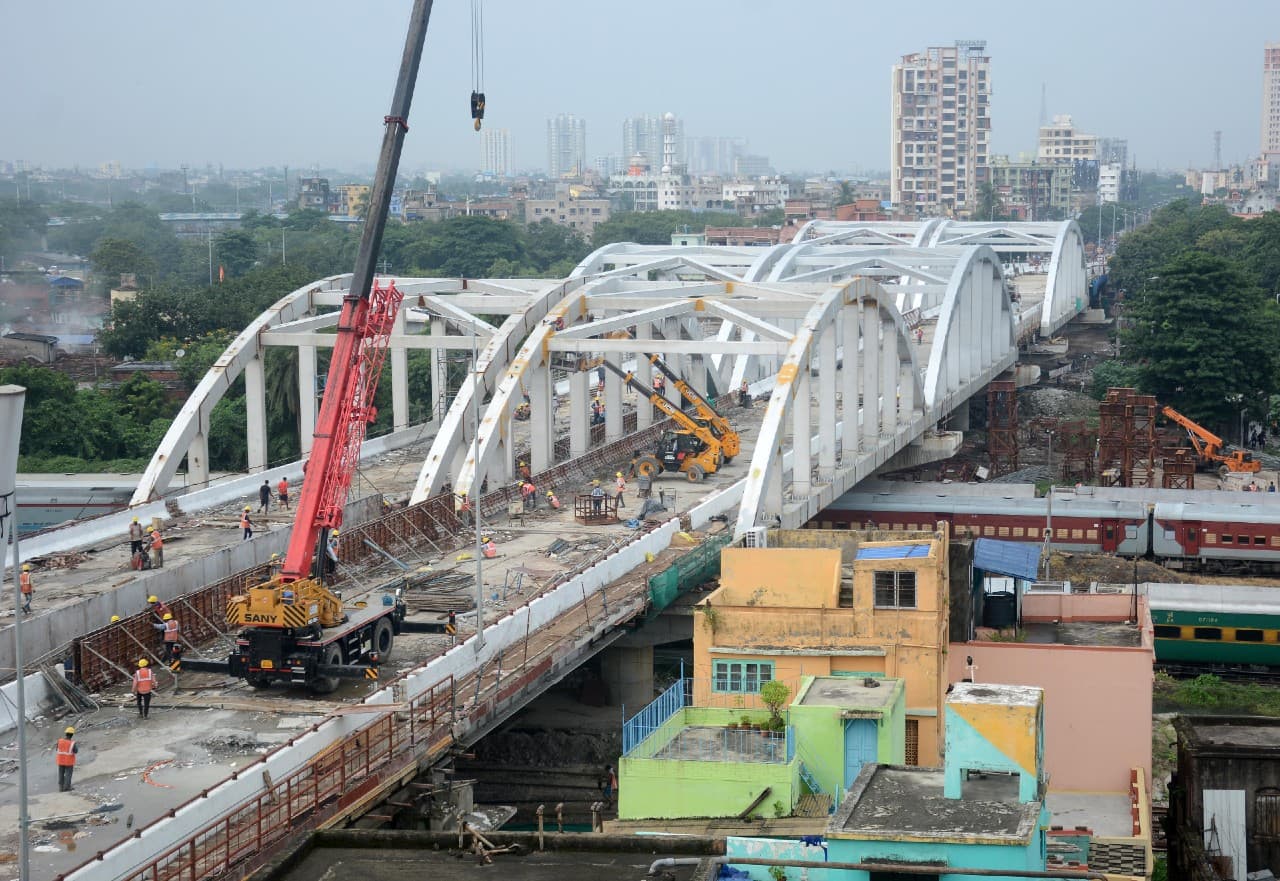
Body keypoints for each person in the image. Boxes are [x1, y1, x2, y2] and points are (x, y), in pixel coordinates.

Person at [55, 726, 78, 792]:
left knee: (61, 773)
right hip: (69, 761)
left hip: (60, 760)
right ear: (72, 735)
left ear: (66, 734)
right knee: (68, 774)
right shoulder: (72, 743)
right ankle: (67, 787)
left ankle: (61, 787)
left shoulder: (60, 741)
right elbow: (76, 751)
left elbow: (57, 749)